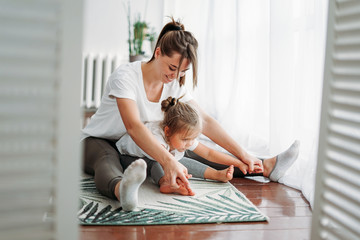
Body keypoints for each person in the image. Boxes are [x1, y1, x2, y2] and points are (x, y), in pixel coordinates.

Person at [81, 17, 299, 211]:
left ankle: (265, 167)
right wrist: (168, 162)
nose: (175, 76)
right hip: (102, 141)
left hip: (141, 146)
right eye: (172, 67)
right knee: (107, 160)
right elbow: (133, 127)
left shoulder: (174, 85)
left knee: (191, 150)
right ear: (157, 53)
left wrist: (244, 154)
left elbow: (204, 121)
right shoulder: (126, 76)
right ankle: (122, 191)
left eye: (183, 71)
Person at [117, 96, 261, 195]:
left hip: (158, 159)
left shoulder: (184, 137)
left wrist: (238, 162)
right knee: (158, 162)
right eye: (186, 139)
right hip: (128, 158)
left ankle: (216, 175)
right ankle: (165, 183)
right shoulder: (156, 137)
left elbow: (209, 153)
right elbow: (165, 161)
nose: (189, 144)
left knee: (183, 160)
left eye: (192, 139)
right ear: (167, 131)